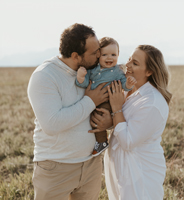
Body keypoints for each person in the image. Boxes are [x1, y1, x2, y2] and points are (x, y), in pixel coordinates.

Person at [27, 23, 113, 200]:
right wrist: (90, 100)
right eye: (94, 52)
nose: (100, 55)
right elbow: (52, 124)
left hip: (90, 166)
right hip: (56, 168)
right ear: (76, 56)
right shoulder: (45, 76)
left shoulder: (94, 73)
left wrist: (108, 122)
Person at [94, 45, 172, 199]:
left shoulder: (152, 103)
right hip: (122, 169)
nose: (127, 65)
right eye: (129, 59)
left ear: (149, 71)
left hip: (139, 172)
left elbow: (128, 141)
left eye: (135, 63)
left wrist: (116, 108)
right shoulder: (129, 90)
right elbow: (122, 122)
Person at [75, 37, 136, 156]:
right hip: (94, 99)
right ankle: (97, 140)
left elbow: (124, 85)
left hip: (108, 100)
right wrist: (81, 77)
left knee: (98, 118)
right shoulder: (93, 70)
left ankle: (102, 142)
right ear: (98, 55)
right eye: (105, 55)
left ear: (118, 55)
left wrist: (128, 83)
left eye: (113, 54)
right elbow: (84, 83)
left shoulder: (118, 71)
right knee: (92, 119)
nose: (109, 58)